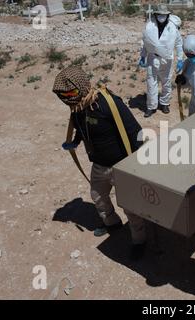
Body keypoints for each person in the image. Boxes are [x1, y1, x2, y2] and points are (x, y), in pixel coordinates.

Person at [53, 66, 147, 260]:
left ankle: (139, 240)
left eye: (70, 93)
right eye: (64, 96)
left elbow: (135, 132)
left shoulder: (110, 104)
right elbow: (82, 127)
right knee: (97, 196)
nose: (68, 99)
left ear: (81, 87)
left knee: (130, 206)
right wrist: (76, 141)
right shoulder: (78, 108)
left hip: (121, 166)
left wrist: (136, 165)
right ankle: (112, 223)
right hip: (99, 164)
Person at [139, 4, 184, 118]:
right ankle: (151, 107)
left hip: (166, 59)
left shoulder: (173, 28)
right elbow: (145, 41)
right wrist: (143, 56)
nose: (161, 17)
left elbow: (178, 44)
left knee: (166, 82)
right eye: (159, 14)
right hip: (152, 58)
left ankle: (164, 103)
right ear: (156, 14)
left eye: (164, 15)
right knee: (151, 83)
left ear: (167, 15)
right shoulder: (150, 26)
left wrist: (180, 59)